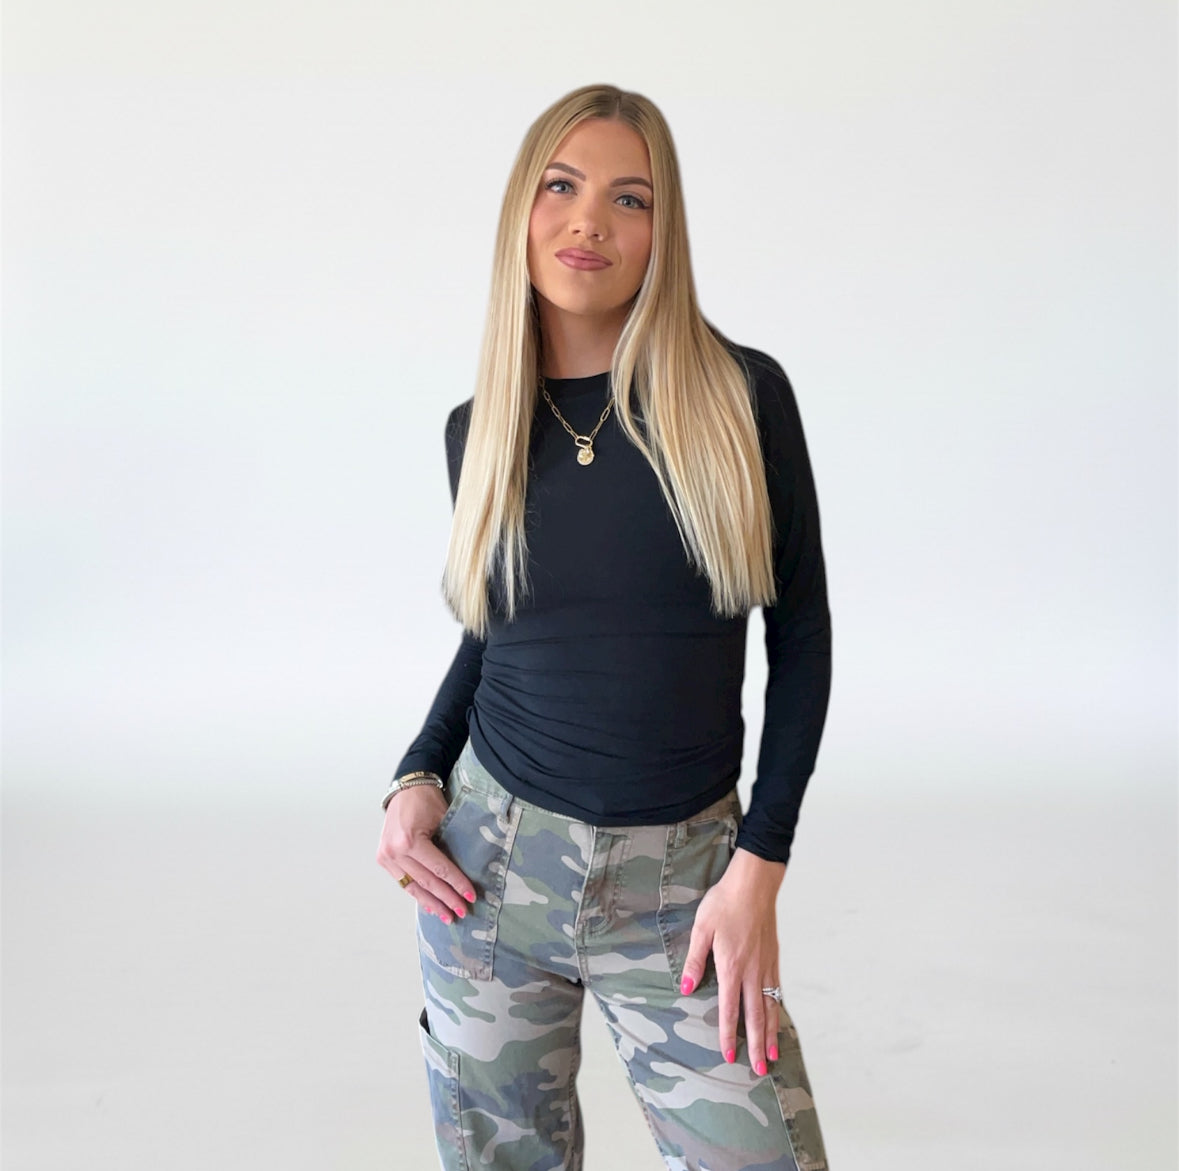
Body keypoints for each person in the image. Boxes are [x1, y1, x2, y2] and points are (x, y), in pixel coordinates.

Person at [376, 82, 833, 1171]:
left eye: (631, 198)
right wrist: (416, 772)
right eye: (562, 187)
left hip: (686, 887)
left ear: (663, 233)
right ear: (520, 210)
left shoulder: (739, 397)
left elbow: (803, 635)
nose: (589, 221)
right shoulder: (479, 429)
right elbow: (494, 637)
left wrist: (760, 865)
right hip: (491, 873)